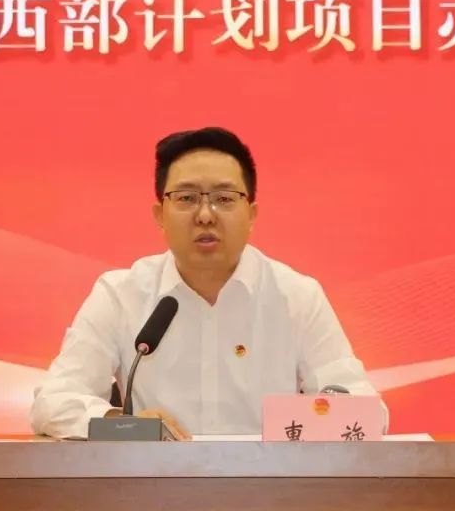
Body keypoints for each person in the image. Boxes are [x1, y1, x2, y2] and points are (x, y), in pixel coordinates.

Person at [30, 127, 383, 439]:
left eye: (224, 199)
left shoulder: (297, 297)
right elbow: (53, 401)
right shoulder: (120, 295)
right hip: (155, 484)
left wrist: (311, 421)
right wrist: (124, 425)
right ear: (160, 215)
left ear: (252, 215)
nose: (204, 215)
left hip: (270, 484)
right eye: (186, 198)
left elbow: (366, 411)